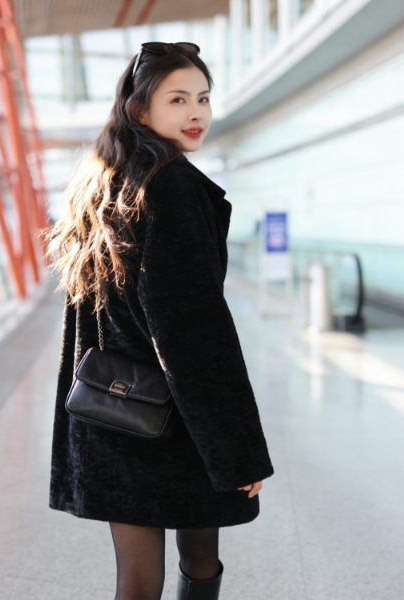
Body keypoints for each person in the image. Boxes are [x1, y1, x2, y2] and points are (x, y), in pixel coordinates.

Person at [47, 41, 274, 600]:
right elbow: (193, 332)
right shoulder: (171, 185)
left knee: (136, 581)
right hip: (177, 418)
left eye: (203, 98)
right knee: (199, 558)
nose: (196, 113)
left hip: (111, 410)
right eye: (177, 99)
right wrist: (235, 446)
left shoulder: (104, 184)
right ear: (139, 109)